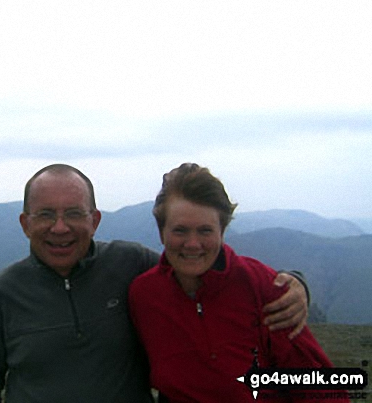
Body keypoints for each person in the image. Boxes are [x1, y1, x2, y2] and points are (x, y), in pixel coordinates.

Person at [0, 163, 310, 403]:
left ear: (94, 220)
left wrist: (293, 283)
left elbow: (197, 271)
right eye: (45, 214)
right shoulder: (3, 294)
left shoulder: (130, 266)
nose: (59, 228)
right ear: (25, 223)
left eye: (74, 214)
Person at [128, 163, 348, 402]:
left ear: (222, 232)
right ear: (162, 233)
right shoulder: (144, 296)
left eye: (205, 231)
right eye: (180, 231)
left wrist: (297, 283)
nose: (192, 244)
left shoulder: (261, 286)